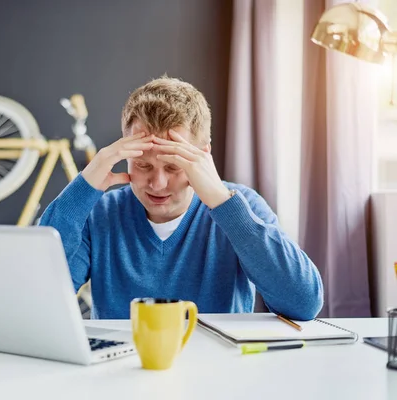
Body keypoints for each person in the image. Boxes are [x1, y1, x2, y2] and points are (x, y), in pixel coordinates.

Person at [39, 76, 323, 321]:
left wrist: (223, 204)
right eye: (143, 165)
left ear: (203, 156)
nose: (157, 184)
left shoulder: (240, 205)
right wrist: (83, 188)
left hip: (215, 371)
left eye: (174, 166)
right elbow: (39, 298)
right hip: (121, 374)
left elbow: (304, 303)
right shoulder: (100, 213)